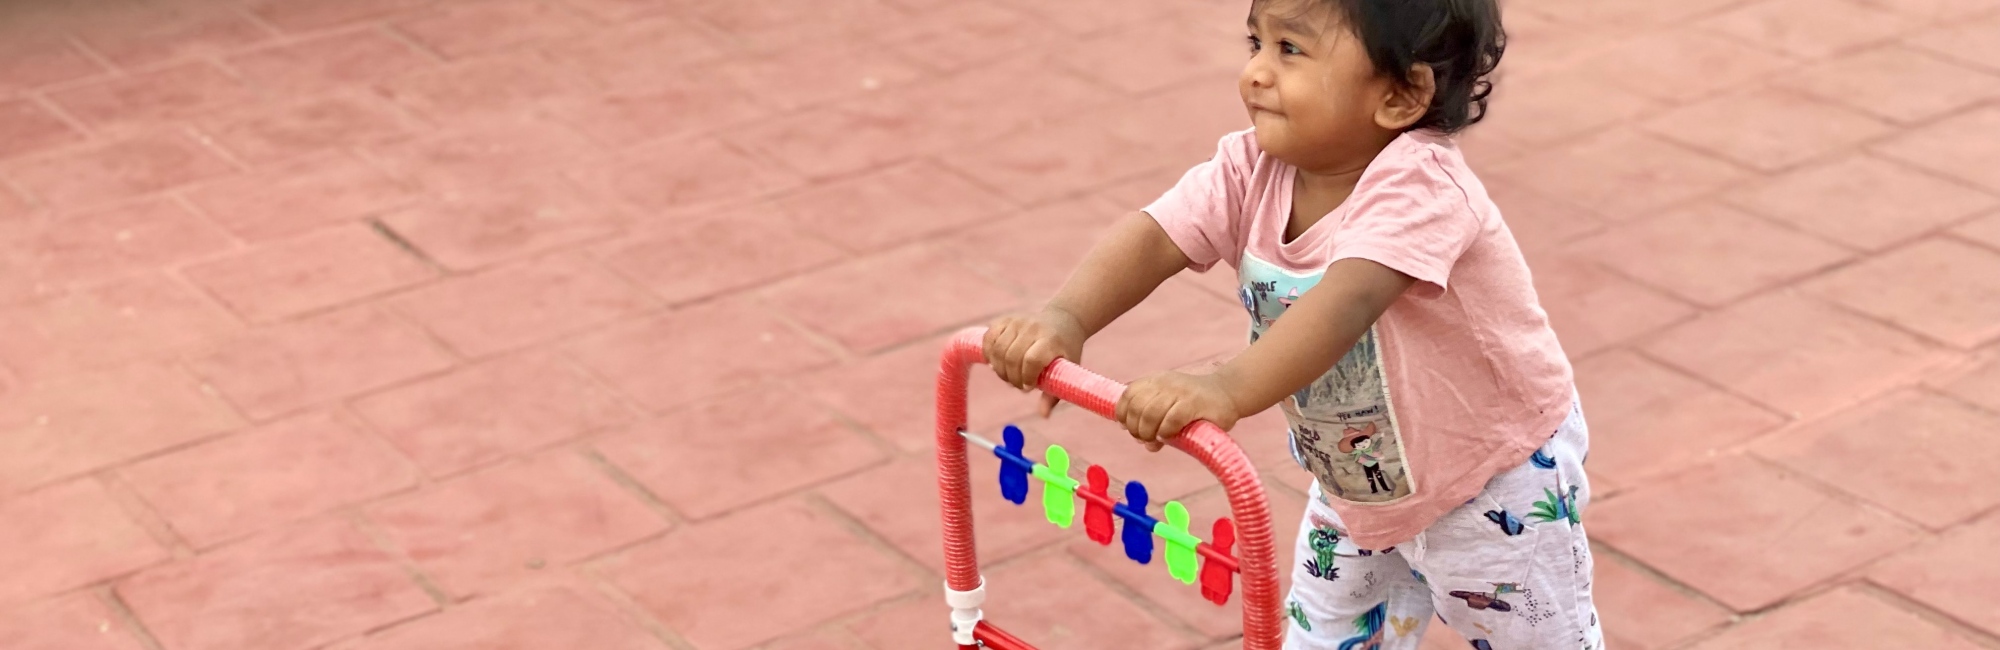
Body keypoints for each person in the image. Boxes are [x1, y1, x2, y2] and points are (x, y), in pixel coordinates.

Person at [979, 0, 1603, 646]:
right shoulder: (1250, 166)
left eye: (1291, 51)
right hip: (1359, 482)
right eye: (1257, 42)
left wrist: (1224, 388)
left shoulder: (1422, 187)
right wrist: (1067, 316)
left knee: (1530, 637)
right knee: (1323, 631)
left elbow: (1346, 303)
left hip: (1491, 479)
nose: (1255, 72)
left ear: (1400, 94)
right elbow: (1156, 237)